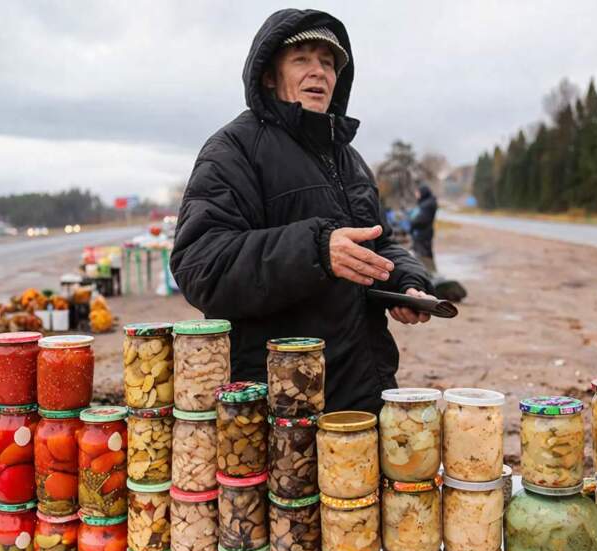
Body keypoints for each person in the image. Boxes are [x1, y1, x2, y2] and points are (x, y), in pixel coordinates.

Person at [171, 8, 436, 413]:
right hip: (278, 403)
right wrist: (315, 251)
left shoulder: (350, 160)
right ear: (269, 75)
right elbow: (199, 265)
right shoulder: (232, 151)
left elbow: (380, 244)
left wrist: (405, 281)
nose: (319, 72)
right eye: (302, 59)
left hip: (363, 389)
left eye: (328, 63)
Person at [410, 182, 438, 273]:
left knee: (424, 254)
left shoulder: (427, 205)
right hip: (424, 232)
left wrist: (412, 223)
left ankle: (430, 273)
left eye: (418, 192)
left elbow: (422, 220)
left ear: (423, 192)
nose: (416, 195)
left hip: (423, 233)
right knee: (423, 253)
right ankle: (428, 272)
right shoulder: (426, 202)